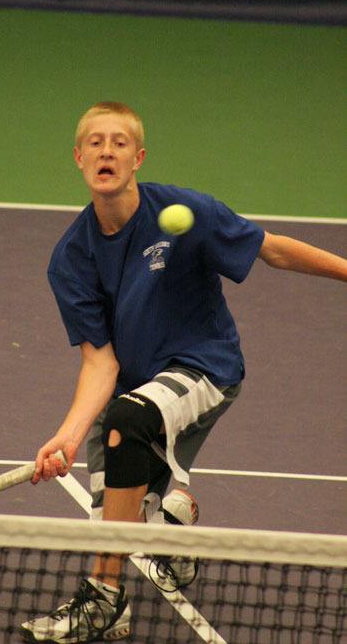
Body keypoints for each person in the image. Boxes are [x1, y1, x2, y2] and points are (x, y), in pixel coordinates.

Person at [21, 102, 347, 643]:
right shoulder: (71, 258)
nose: (107, 150)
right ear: (79, 158)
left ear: (138, 158)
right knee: (117, 519)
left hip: (207, 366)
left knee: (128, 420)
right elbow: (100, 361)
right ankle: (172, 526)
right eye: (95, 143)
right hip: (138, 387)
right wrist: (70, 434)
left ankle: (104, 600)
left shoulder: (185, 212)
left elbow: (276, 252)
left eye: (119, 142)